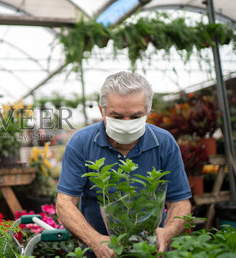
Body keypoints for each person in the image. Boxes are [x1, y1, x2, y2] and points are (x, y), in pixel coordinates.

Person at [56, 71, 192, 257]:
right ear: (102, 111)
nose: (127, 124)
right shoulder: (81, 143)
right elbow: (65, 203)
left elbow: (180, 202)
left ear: (148, 111)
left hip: (149, 251)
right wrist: (95, 240)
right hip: (99, 253)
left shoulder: (164, 143)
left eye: (136, 116)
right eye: (118, 117)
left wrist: (168, 231)